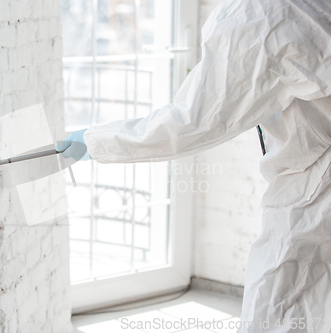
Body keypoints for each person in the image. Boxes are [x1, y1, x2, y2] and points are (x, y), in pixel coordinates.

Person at [58, 0, 331, 332]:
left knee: (278, 304)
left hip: (317, 185)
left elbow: (192, 123)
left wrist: (95, 140)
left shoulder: (257, 16)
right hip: (314, 170)